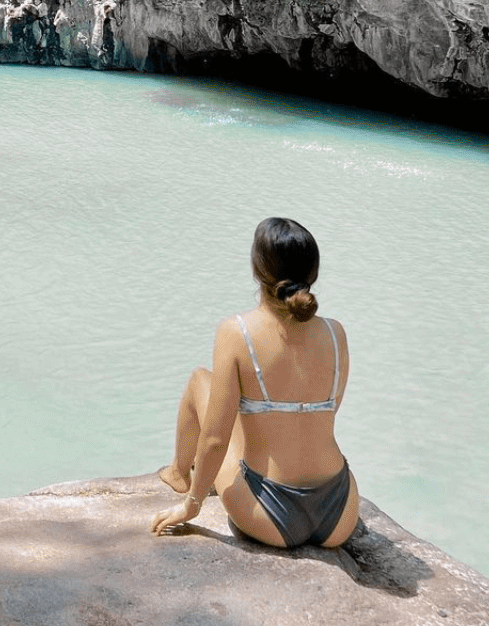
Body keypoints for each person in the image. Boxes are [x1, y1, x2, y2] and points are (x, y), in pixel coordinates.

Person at [149, 216, 359, 548]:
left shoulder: (237, 332)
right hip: (339, 510)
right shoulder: (336, 334)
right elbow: (328, 412)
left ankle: (179, 474)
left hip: (270, 511)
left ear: (257, 269)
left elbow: (216, 439)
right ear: (312, 274)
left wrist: (192, 505)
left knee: (199, 381)